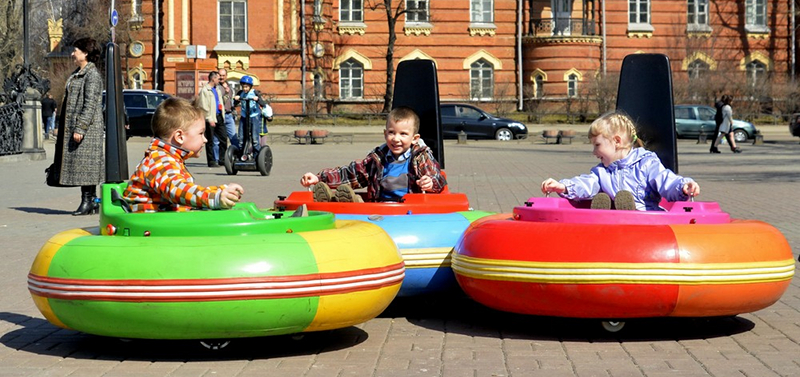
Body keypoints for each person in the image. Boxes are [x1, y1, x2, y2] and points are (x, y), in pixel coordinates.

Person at [540, 111, 700, 211]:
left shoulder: (647, 163)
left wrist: (683, 186)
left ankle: (628, 211)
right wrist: (563, 187)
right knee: (601, 199)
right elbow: (586, 184)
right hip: (614, 224)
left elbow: (666, 181)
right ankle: (606, 210)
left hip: (646, 220)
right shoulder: (601, 172)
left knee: (630, 204)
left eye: (597, 145)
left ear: (616, 141)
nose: (594, 152)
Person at [300, 106, 446, 202]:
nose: (396, 139)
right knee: (351, 192)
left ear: (414, 138)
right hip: (380, 209)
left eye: (403, 134)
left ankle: (349, 200)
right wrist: (318, 178)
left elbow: (436, 177)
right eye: (391, 133)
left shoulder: (421, 157)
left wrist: (430, 182)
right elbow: (352, 174)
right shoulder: (377, 159)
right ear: (384, 134)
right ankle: (339, 199)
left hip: (410, 211)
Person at [122, 97, 244, 213]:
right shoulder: (160, 160)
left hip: (163, 223)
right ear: (179, 137)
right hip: (150, 228)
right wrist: (214, 198)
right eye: (201, 133)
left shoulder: (169, 158)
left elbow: (186, 189)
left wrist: (221, 191)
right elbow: (178, 189)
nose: (205, 140)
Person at [51, 37, 105, 216]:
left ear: (86, 53)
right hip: (77, 126)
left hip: (88, 129)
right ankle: (91, 202)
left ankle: (88, 201)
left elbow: (90, 104)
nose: (73, 53)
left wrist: (80, 127)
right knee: (84, 167)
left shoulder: (92, 75)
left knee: (87, 168)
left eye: (76, 50)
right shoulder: (78, 73)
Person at [196, 71, 228, 167]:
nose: (220, 80)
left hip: (219, 117)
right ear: (213, 79)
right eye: (218, 78)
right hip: (210, 118)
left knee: (223, 139)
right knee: (210, 141)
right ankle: (211, 161)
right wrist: (210, 119)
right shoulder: (205, 90)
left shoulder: (217, 89)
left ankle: (222, 159)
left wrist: (226, 94)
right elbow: (203, 106)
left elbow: (220, 101)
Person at [233, 75, 266, 154]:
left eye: (246, 87)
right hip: (244, 116)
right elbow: (235, 104)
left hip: (254, 116)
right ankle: (242, 154)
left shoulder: (254, 92)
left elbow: (263, 103)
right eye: (243, 87)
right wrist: (236, 99)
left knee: (255, 139)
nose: (245, 89)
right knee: (241, 137)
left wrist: (257, 99)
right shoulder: (241, 93)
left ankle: (256, 156)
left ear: (250, 86)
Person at [217, 68, 239, 153]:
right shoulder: (216, 87)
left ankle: (237, 156)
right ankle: (218, 159)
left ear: (226, 76)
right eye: (220, 75)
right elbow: (220, 102)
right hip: (220, 115)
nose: (222, 77)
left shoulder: (230, 86)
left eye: (223, 75)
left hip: (229, 115)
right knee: (219, 140)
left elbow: (231, 102)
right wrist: (226, 93)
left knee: (233, 138)